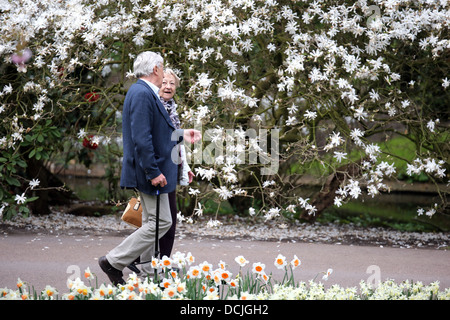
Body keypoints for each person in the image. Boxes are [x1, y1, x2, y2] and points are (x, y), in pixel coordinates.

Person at [98, 51, 200, 285]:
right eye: (162, 69)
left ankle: (146, 270)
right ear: (155, 70)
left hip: (151, 169)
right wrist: (153, 172)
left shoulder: (143, 93)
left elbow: (157, 132)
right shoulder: (143, 94)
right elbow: (142, 139)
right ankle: (113, 261)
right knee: (160, 222)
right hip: (149, 171)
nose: (164, 74)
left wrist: (183, 134)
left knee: (154, 222)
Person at [126, 68, 194, 274]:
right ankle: (147, 259)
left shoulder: (171, 108)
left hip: (170, 168)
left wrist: (185, 167)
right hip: (158, 170)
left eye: (172, 83)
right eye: (164, 82)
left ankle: (147, 259)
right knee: (165, 219)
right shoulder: (155, 106)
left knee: (161, 219)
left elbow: (175, 143)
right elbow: (148, 140)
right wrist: (153, 169)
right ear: (157, 83)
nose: (168, 87)